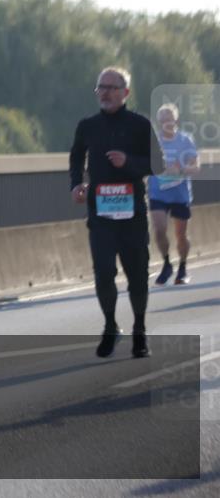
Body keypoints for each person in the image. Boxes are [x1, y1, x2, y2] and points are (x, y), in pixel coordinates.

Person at [69, 67, 162, 360]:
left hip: (132, 213)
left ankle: (140, 330)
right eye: (101, 87)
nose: (105, 92)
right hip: (100, 215)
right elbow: (76, 156)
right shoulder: (88, 126)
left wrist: (129, 162)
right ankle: (110, 325)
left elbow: (157, 164)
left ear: (126, 93)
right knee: (104, 273)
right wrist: (76, 184)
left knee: (137, 275)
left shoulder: (139, 124)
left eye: (112, 87)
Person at [149, 103, 200, 285]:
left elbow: (196, 167)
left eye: (169, 119)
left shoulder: (185, 140)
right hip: (158, 192)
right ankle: (166, 264)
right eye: (162, 120)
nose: (166, 123)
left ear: (175, 120)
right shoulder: (153, 142)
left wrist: (181, 169)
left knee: (181, 235)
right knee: (159, 228)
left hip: (180, 194)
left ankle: (183, 267)